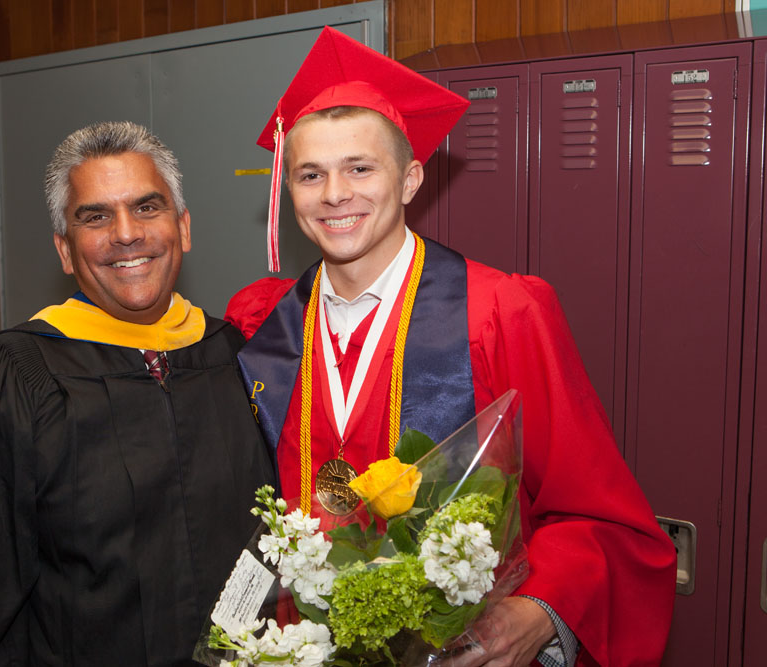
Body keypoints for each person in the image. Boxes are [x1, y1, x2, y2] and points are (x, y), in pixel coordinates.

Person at [225, 27, 676, 667]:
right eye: (309, 174)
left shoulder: (499, 313)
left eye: (360, 167)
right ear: (287, 189)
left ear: (410, 179)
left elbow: (597, 515)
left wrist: (539, 609)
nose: (334, 194)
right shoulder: (262, 326)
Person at [0, 121, 275, 666]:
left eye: (147, 208)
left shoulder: (236, 356)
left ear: (183, 228)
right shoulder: (8, 382)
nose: (125, 233)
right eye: (94, 216)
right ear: (65, 250)